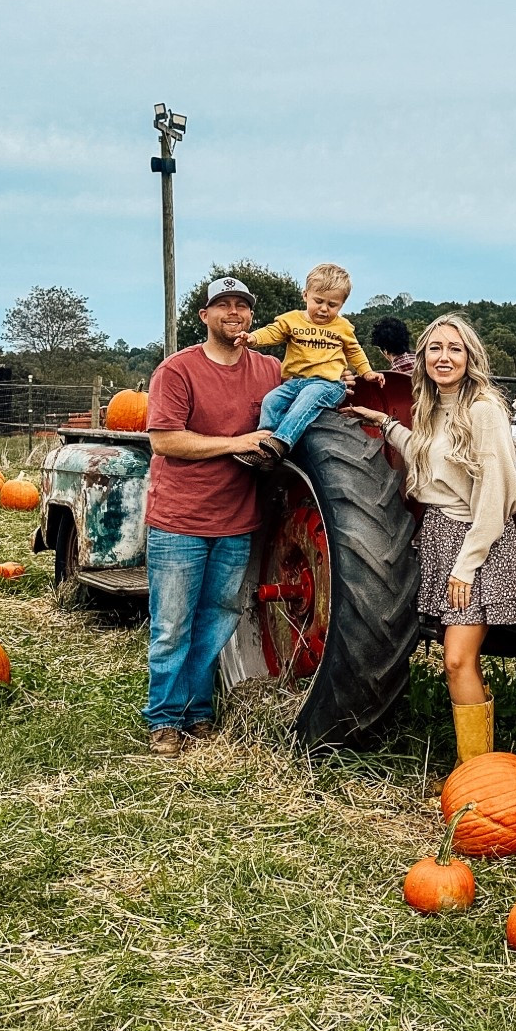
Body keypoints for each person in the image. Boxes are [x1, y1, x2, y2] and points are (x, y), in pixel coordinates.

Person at [348, 314, 516, 764]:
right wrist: (384, 423)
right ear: (422, 356)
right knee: (462, 661)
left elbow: (494, 495)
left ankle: (478, 774)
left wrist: (467, 565)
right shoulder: (432, 406)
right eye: (435, 348)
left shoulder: (483, 409)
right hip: (439, 536)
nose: (444, 357)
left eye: (455, 349)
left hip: (474, 542)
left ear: (470, 357)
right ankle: (478, 767)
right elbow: (427, 456)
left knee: (457, 660)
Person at [143, 277, 284, 754]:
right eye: (223, 304)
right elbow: (165, 440)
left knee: (217, 620)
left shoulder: (268, 369)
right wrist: (236, 443)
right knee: (172, 626)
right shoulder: (178, 370)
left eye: (242, 305)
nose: (233, 312)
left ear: (251, 316)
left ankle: (197, 710)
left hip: (237, 521)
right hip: (180, 521)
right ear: (204, 315)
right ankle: (164, 718)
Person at [245, 263, 381, 468]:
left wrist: (367, 372)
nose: (324, 309)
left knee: (308, 397)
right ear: (305, 295)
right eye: (318, 301)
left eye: (332, 305)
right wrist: (253, 338)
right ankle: (264, 446)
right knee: (271, 400)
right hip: (296, 382)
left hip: (328, 384)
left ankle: (281, 442)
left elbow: (354, 351)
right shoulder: (292, 320)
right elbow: (272, 332)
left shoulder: (342, 327)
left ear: (342, 305)